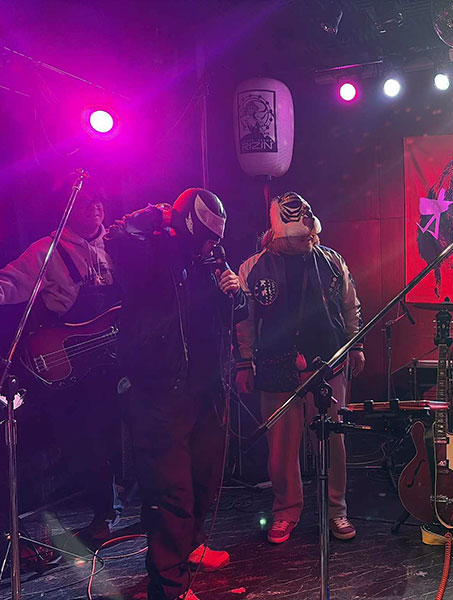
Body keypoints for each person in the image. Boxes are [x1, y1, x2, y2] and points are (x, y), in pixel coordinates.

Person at [105, 188, 247, 600]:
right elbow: (116, 236)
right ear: (188, 228)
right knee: (171, 493)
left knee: (204, 479)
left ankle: (192, 543)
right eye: (207, 237)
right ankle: (169, 587)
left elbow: (226, 317)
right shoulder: (149, 256)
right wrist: (157, 213)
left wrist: (234, 294)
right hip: (160, 393)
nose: (213, 245)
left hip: (205, 389)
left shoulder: (209, 262)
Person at [0, 188, 122, 546]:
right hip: (71, 362)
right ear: (68, 209)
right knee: (83, 440)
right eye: (86, 201)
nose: (95, 206)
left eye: (99, 199)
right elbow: (9, 282)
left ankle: (134, 503)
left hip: (115, 357)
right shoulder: (48, 250)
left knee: (123, 432)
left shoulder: (118, 243)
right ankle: (103, 513)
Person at [235, 191, 364, 545]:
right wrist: (244, 362)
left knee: (333, 442)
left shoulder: (332, 261)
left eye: (310, 234)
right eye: (299, 236)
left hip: (328, 363)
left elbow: (350, 304)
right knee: (281, 447)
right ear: (279, 234)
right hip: (276, 368)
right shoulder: (252, 268)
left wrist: (356, 344)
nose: (307, 239)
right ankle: (285, 510)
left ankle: (336, 510)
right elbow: (244, 322)